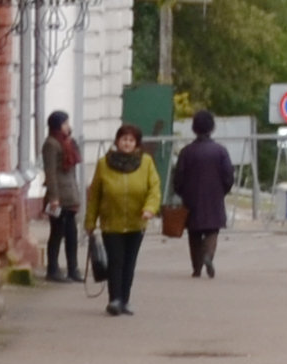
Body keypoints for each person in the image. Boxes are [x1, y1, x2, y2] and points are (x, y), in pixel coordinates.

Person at [83, 121, 164, 313]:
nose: (127, 143)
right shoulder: (104, 163)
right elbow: (95, 194)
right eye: (123, 139)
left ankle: (125, 300)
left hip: (136, 222)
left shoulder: (146, 163)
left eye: (131, 140)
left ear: (136, 144)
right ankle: (114, 300)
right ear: (117, 141)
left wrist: (150, 208)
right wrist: (90, 221)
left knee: (129, 262)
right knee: (115, 261)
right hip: (112, 222)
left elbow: (154, 189)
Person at [173, 111, 239, 279]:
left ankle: (196, 268)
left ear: (194, 128)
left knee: (193, 233)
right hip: (214, 196)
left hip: (191, 197)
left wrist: (181, 192)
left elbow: (178, 176)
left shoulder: (186, 152)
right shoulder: (220, 151)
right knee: (212, 230)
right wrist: (223, 190)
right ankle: (208, 256)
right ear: (212, 128)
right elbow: (228, 175)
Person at [40, 110, 86, 283]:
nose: (68, 126)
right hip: (58, 196)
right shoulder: (51, 144)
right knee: (57, 232)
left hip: (70, 194)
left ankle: (73, 268)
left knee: (72, 233)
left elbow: (72, 170)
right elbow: (50, 172)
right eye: (65, 123)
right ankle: (52, 268)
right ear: (57, 125)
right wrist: (53, 197)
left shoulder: (69, 142)